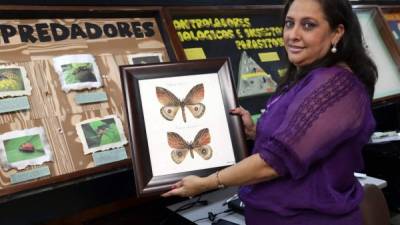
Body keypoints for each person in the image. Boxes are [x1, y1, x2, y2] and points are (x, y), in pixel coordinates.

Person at [162, 0, 378, 224]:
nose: (292, 35)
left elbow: (275, 161)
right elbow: (307, 141)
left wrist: (206, 183)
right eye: (289, 23)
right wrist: (256, 132)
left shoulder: (335, 85)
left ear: (336, 33)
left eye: (308, 25)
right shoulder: (308, 76)